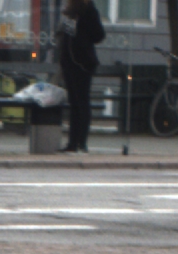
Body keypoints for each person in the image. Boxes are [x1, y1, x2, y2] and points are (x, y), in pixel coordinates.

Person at [55, 0, 106, 153]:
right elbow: (64, 37)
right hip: (69, 62)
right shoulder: (69, 13)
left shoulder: (89, 11)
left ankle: (81, 142)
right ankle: (72, 142)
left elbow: (99, 35)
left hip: (82, 63)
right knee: (74, 103)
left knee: (81, 102)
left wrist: (83, 32)